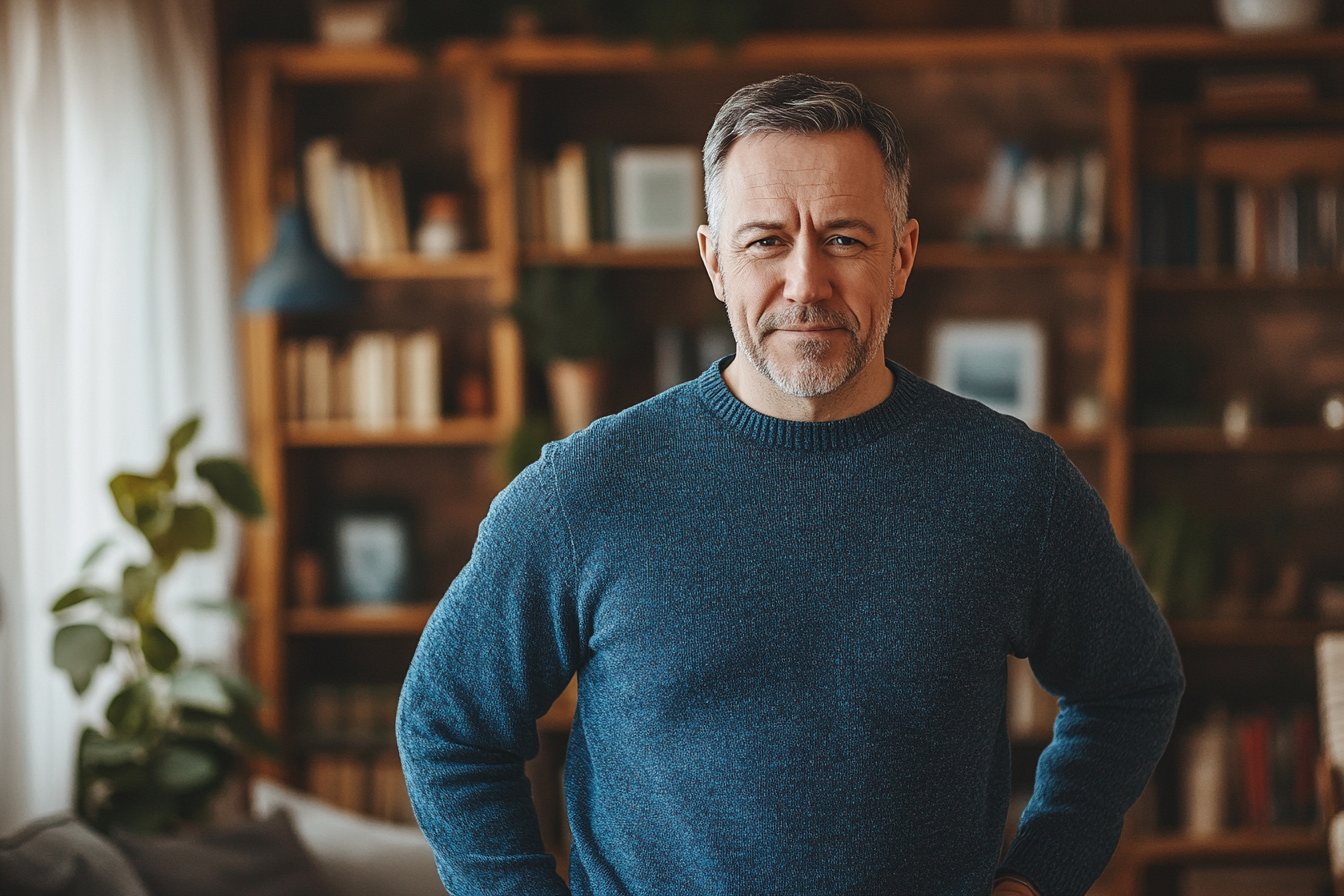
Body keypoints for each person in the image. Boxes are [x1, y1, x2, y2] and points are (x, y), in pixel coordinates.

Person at [397, 73, 1183, 896]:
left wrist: (1041, 879)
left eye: (844, 238)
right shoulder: (583, 491)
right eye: (765, 241)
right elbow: (445, 726)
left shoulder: (1014, 484)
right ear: (713, 261)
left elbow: (1132, 686)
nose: (806, 283)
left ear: (903, 255)